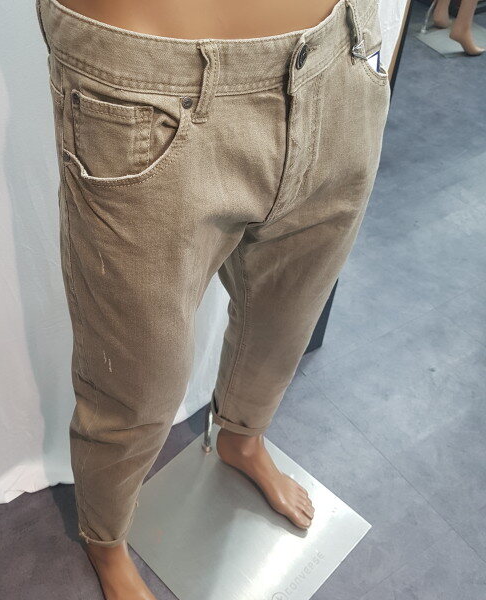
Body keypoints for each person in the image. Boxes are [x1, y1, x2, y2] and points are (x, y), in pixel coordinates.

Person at [35, 0, 391, 597]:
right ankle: (105, 537)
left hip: (341, 55)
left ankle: (242, 439)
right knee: (136, 380)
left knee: (286, 317)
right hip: (145, 80)